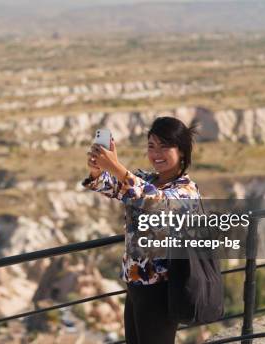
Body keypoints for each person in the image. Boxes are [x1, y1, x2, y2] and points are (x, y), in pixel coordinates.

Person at [82, 117, 201, 344]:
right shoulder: (147, 179)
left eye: (165, 146)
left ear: (182, 151)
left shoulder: (186, 190)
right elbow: (113, 186)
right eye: (151, 146)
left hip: (162, 287)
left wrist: (117, 167)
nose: (156, 153)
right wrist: (97, 170)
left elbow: (155, 202)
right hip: (136, 282)